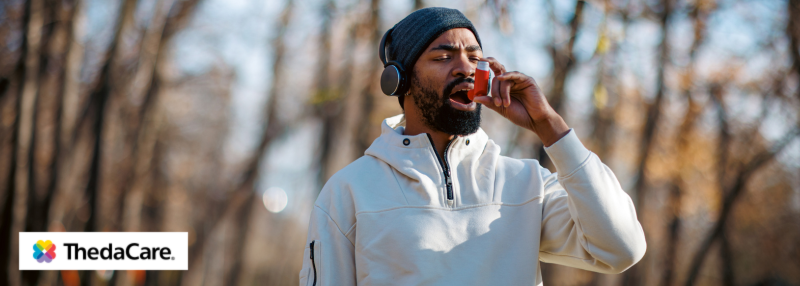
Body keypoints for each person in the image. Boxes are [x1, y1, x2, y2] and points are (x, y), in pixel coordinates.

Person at [299, 7, 646, 286]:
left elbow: (620, 248)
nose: (465, 67)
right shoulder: (350, 191)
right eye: (443, 56)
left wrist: (550, 126)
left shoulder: (526, 183)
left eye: (473, 55)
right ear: (400, 79)